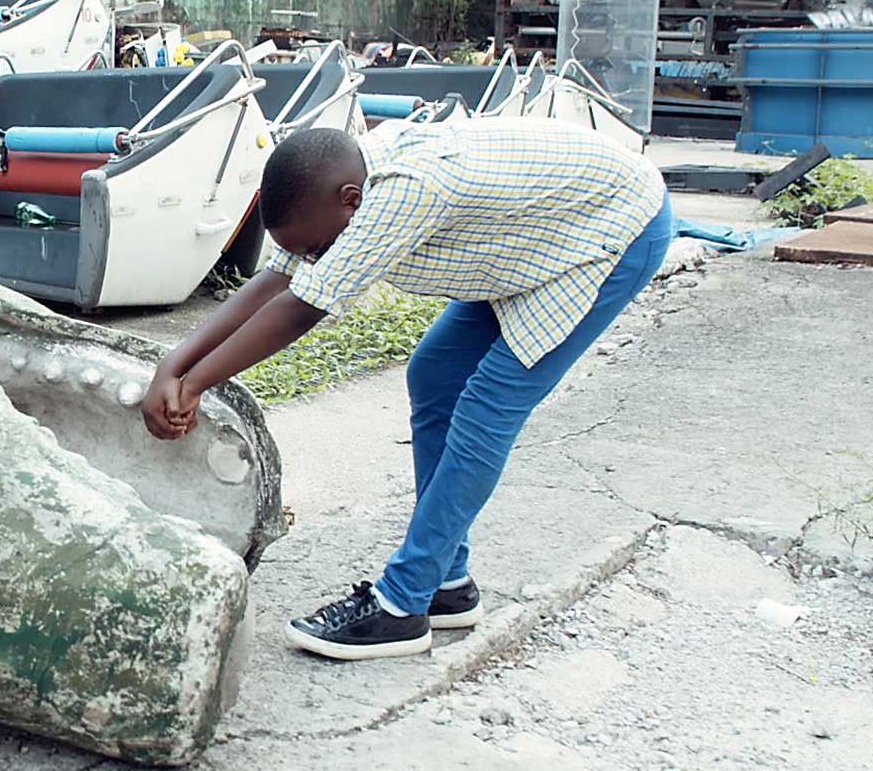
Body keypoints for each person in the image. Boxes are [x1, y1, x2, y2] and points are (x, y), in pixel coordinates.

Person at [139, 118, 673, 660]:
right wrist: (173, 366)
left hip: (612, 233)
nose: (315, 257)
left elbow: (304, 306)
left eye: (320, 247)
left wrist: (199, 382)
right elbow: (277, 280)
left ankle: (403, 603)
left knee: (488, 408)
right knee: (435, 374)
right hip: (533, 237)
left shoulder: (407, 190)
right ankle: (447, 581)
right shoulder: (335, 189)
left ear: (351, 202)